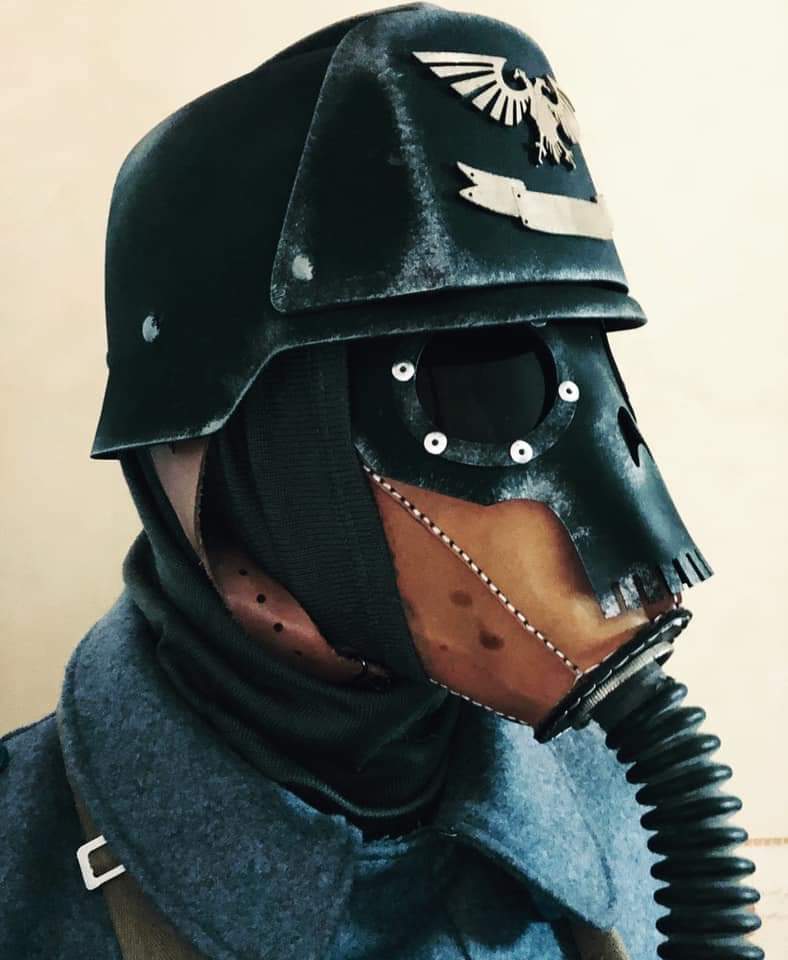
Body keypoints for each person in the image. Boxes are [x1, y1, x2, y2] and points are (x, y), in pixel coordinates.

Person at [0, 4, 762, 959]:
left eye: (593, 379)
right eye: (487, 384)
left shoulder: (617, 806)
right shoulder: (21, 867)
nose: (597, 490)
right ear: (229, 458)